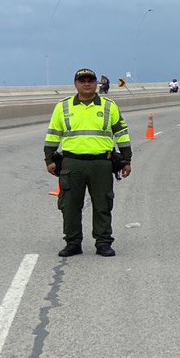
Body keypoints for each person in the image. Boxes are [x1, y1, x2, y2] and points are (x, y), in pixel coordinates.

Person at [44, 68, 132, 257]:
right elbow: (53, 134)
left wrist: (126, 160)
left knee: (103, 204)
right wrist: (50, 159)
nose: (86, 84)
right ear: (76, 84)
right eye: (82, 80)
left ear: (97, 84)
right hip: (72, 163)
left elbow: (122, 134)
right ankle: (73, 243)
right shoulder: (63, 107)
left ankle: (103, 243)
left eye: (90, 80)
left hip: (101, 164)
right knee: (70, 205)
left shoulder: (109, 106)